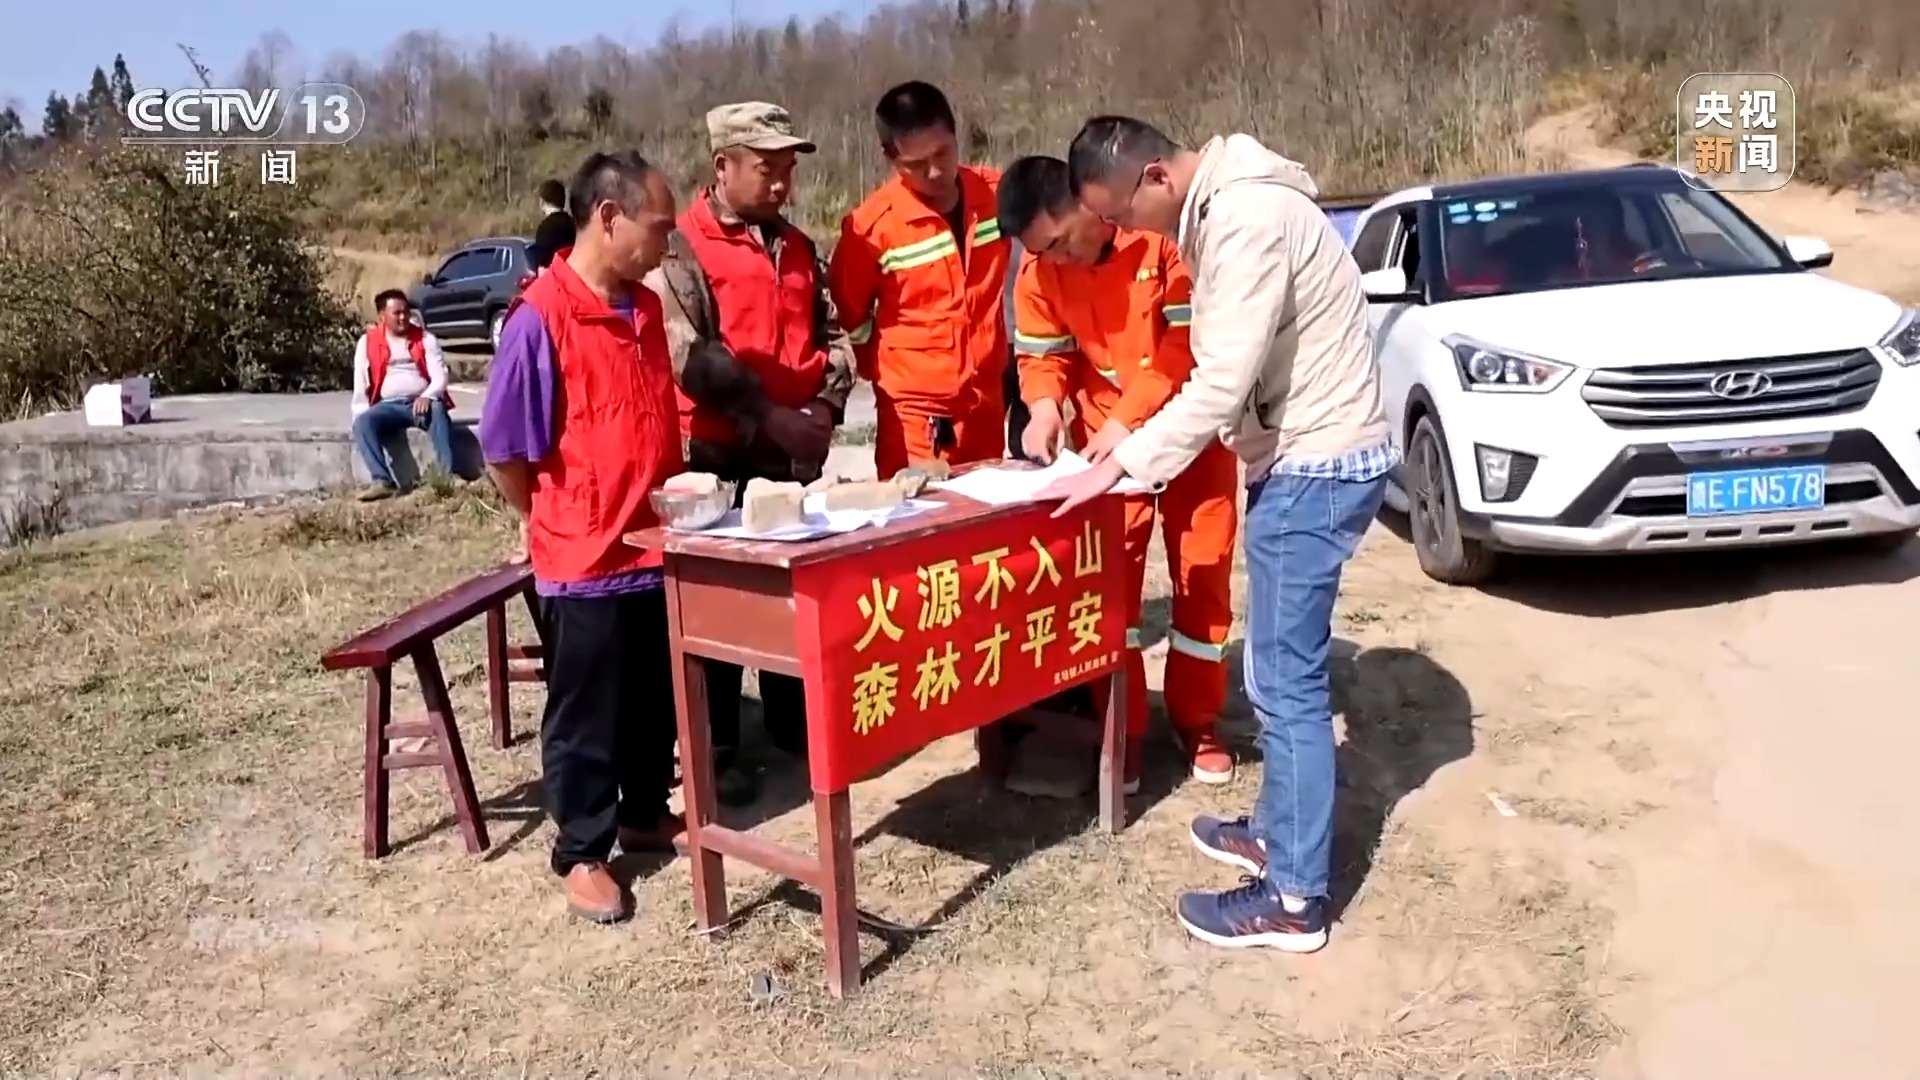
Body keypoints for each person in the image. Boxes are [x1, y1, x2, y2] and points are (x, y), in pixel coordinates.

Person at [1045, 117, 1396, 954]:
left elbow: (1216, 384)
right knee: (1279, 672)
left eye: (1122, 215)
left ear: (1156, 178)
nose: (1125, 232)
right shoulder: (1226, 209)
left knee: (1285, 685)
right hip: (1301, 452)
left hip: (1317, 462)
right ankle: (1277, 830)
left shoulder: (1243, 220)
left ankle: (1294, 900)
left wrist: (1121, 464)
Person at [477, 151, 685, 925]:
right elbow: (504, 450)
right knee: (587, 711)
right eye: (657, 228)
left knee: (652, 699)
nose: (665, 244)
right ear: (608, 216)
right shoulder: (540, 318)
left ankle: (644, 811)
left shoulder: (646, 309)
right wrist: (546, 517)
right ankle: (584, 851)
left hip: (654, 543)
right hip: (584, 554)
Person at [998, 155, 1239, 794]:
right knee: (1110, 592)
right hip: (1104, 454)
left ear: (1085, 203)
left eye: (1060, 241)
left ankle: (1198, 720)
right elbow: (1042, 353)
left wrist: (1129, 422)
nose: (1057, 258)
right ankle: (1120, 731)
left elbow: (1184, 348)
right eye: (1040, 251)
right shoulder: (1039, 270)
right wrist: (1043, 408)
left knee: (1203, 575)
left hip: (1190, 435)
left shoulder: (1158, 237)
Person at [643, 101, 857, 808]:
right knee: (721, 606)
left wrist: (824, 409)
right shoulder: (681, 248)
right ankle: (721, 746)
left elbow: (834, 336)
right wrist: (769, 416)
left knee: (791, 593)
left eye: (788, 169)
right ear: (723, 166)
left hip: (790, 453)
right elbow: (688, 355)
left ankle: (793, 720)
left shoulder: (797, 247)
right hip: (717, 451)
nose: (781, 184)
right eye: (767, 169)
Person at [827, 81, 1011, 479]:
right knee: (921, 513)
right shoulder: (871, 228)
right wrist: (881, 366)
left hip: (986, 402)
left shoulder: (997, 196)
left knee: (989, 511)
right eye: (916, 164)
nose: (935, 172)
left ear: (956, 135)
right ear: (890, 158)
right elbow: (849, 313)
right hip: (916, 414)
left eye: (943, 153)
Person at [350, 289, 455, 501]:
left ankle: (448, 476)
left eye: (406, 312)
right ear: (382, 316)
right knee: (363, 422)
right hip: (387, 406)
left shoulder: (425, 339)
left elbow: (440, 377)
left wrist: (428, 395)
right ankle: (382, 481)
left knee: (438, 409)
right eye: (396, 313)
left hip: (420, 403)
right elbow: (360, 384)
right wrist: (361, 415)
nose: (403, 317)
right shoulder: (367, 342)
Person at [528, 178, 575, 273]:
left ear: (542, 202)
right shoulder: (574, 224)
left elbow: (543, 268)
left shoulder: (545, 228)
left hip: (555, 277)